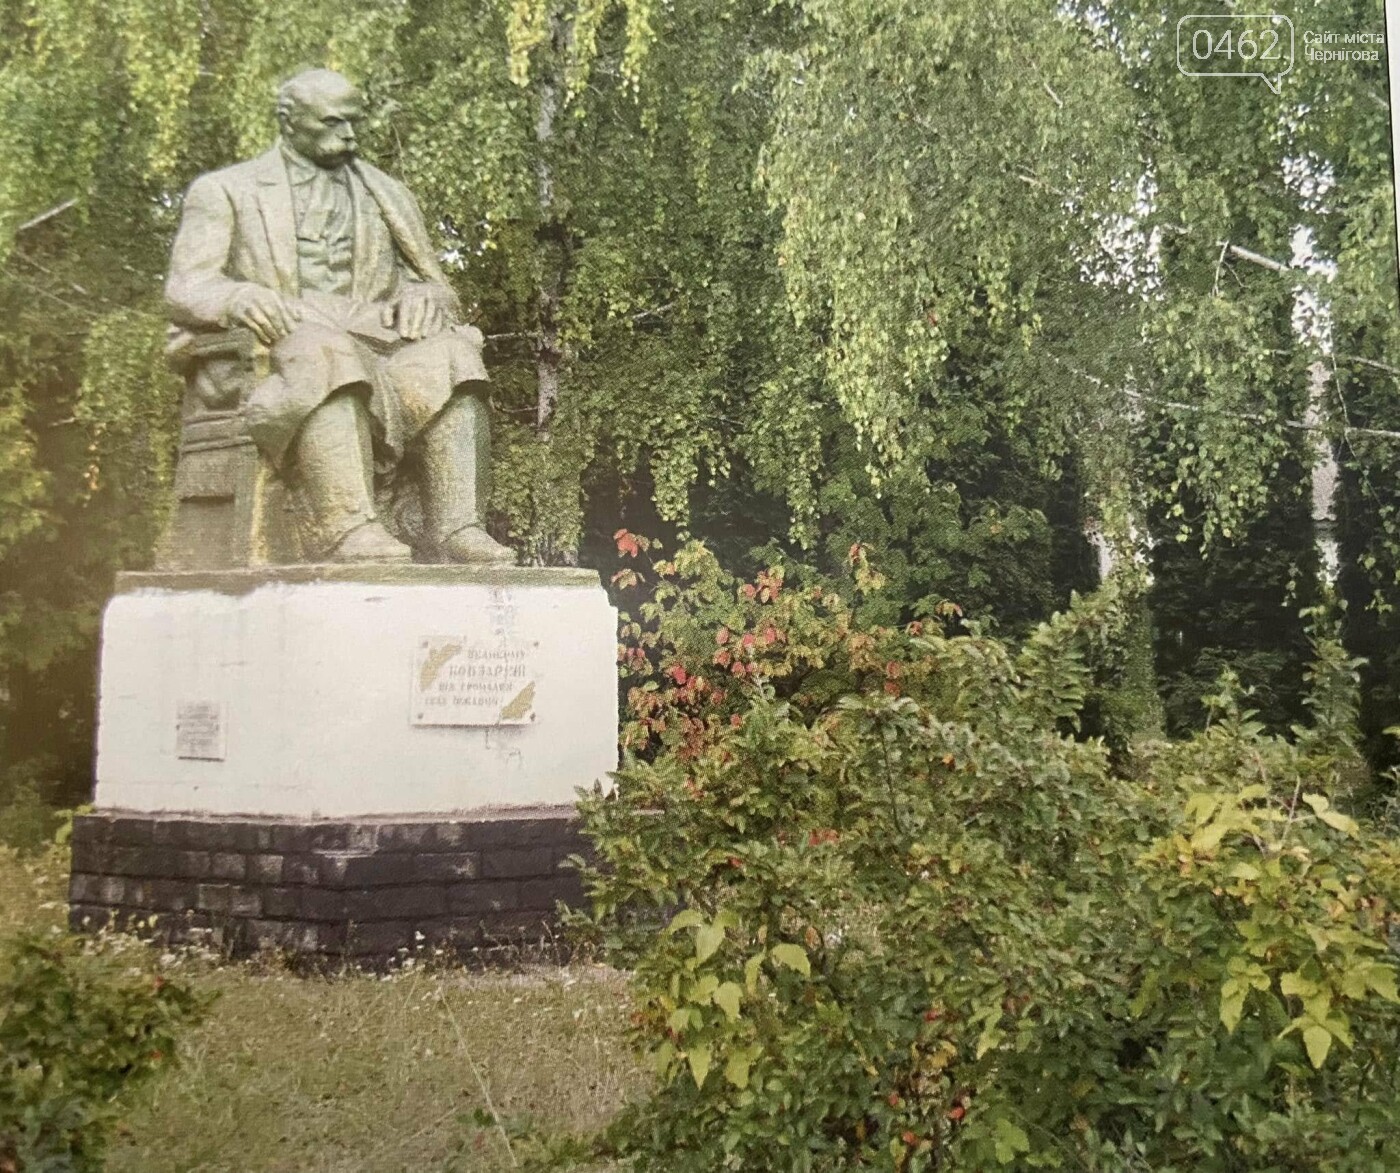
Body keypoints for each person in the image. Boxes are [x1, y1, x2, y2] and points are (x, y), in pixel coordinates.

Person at [165, 68, 512, 564]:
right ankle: (346, 527)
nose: (349, 135)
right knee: (326, 352)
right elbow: (186, 287)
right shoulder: (225, 190)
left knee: (454, 355)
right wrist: (238, 296)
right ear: (288, 121)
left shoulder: (386, 193)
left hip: (376, 342)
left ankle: (457, 527)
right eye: (332, 123)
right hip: (282, 345)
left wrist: (427, 296)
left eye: (353, 122)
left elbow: (431, 281)